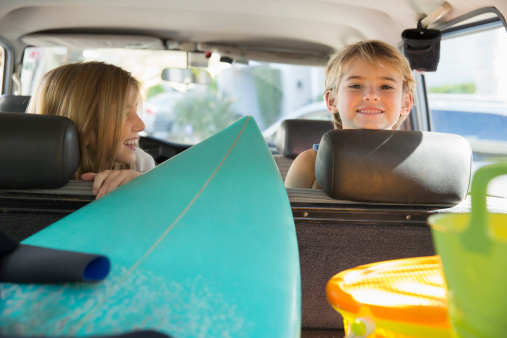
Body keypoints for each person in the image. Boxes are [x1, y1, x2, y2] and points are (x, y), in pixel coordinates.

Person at [284, 40, 416, 189]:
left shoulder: (419, 164)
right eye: (355, 86)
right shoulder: (310, 164)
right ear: (332, 100)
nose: (371, 96)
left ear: (406, 103)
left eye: (386, 86)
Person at [26, 61, 156, 198]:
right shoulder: (21, 173)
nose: (141, 126)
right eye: (124, 114)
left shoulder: (141, 165)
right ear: (84, 127)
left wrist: (143, 186)